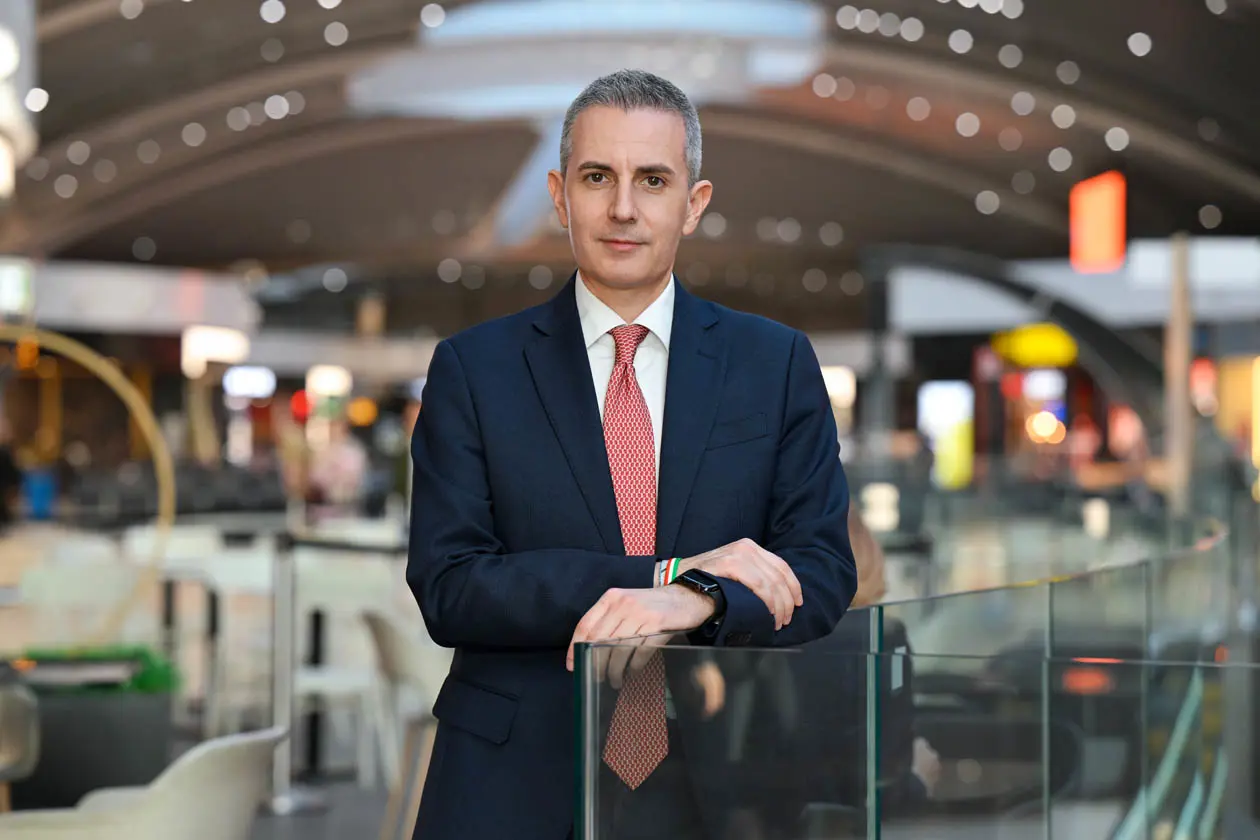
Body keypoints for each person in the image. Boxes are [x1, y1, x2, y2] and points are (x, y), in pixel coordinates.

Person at [407, 69, 857, 840]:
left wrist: (701, 599)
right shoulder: (473, 370)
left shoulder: (773, 363)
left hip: (722, 778)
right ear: (559, 197)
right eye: (596, 177)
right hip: (512, 780)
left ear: (694, 204)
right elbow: (450, 585)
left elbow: (821, 568)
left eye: (653, 179)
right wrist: (659, 577)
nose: (623, 207)